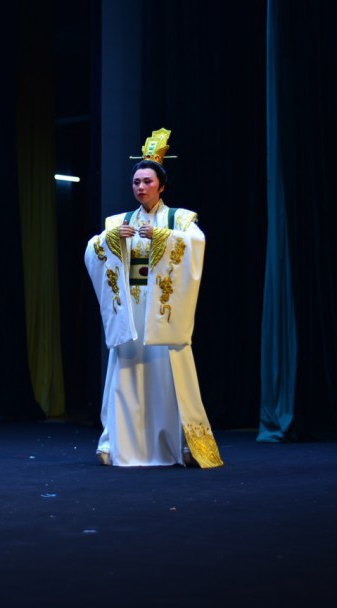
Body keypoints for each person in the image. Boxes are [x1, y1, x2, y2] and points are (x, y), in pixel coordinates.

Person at [84, 129, 223, 468]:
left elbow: (196, 244)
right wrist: (111, 239)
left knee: (169, 374)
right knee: (126, 372)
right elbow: (92, 250)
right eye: (136, 182)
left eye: (147, 181)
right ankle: (117, 442)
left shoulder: (179, 219)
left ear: (161, 186)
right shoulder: (120, 222)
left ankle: (184, 443)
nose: (141, 187)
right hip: (132, 308)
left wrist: (163, 236)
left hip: (162, 309)